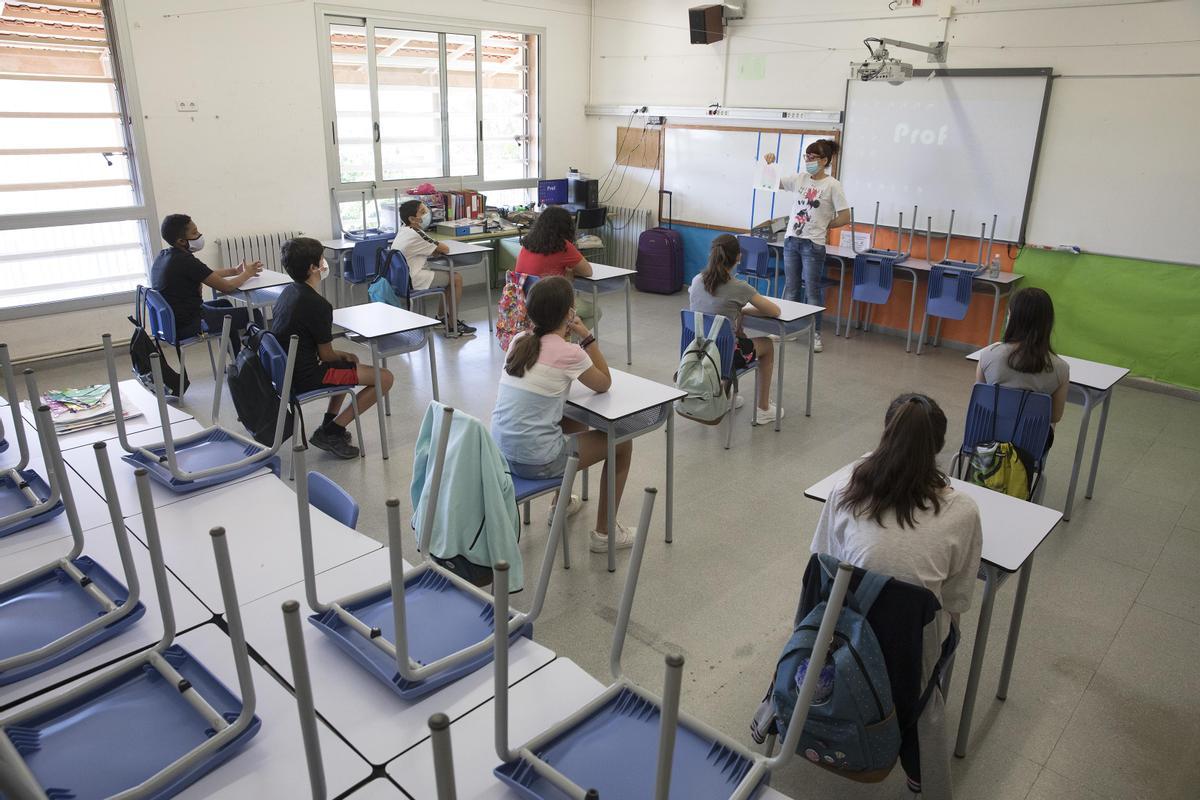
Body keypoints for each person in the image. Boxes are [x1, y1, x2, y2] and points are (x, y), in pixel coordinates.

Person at [811, 393, 982, 800]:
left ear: (885, 435)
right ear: (939, 448)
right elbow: (957, 600)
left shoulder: (848, 483)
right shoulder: (962, 511)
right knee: (942, 619)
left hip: (842, 636)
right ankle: (920, 761)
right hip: (910, 650)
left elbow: (821, 564)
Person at [490, 276, 634, 552]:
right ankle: (605, 535)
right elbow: (604, 382)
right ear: (569, 313)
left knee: (574, 420)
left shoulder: (519, 340)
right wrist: (587, 337)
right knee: (622, 442)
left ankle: (562, 503)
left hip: (501, 455)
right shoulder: (570, 353)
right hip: (537, 462)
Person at [271, 236, 394, 459]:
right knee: (384, 378)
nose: (324, 263)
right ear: (312, 268)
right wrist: (346, 354)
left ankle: (330, 421)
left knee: (344, 363)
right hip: (306, 376)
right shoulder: (318, 305)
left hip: (287, 372)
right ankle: (332, 431)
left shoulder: (289, 293)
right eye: (321, 259)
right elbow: (326, 355)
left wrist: (343, 357)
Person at [764, 140, 850, 353]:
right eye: (807, 157)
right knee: (791, 288)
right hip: (792, 240)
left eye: (813, 158)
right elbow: (774, 182)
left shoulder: (833, 185)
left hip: (813, 244)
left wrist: (824, 225)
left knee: (812, 291)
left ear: (825, 160)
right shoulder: (800, 179)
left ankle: (815, 334)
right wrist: (769, 165)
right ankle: (787, 330)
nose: (809, 161)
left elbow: (845, 216)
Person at [687, 234, 783, 425]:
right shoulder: (739, 288)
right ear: (738, 257)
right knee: (767, 345)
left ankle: (726, 397)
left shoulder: (697, 280)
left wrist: (738, 310)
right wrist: (744, 308)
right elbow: (774, 310)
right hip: (724, 356)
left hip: (696, 351)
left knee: (731, 339)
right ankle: (763, 408)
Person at [150, 213, 263, 352]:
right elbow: (227, 287)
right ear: (181, 241)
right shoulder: (186, 261)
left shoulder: (164, 256)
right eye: (194, 233)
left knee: (224, 304)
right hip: (191, 323)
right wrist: (247, 274)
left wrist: (234, 271)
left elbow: (205, 274)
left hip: (174, 321)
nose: (199, 236)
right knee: (254, 314)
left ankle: (236, 359)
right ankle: (252, 360)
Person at [976, 287, 1070, 449]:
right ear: (1047, 324)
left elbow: (981, 400)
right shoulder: (1060, 368)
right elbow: (1055, 415)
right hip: (1029, 446)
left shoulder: (988, 354)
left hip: (986, 437)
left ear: (1012, 318)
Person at [391, 199, 476, 336]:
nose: (427, 214)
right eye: (422, 212)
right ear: (412, 219)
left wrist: (436, 249)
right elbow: (445, 249)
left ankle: (442, 318)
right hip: (414, 278)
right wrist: (437, 248)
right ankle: (453, 325)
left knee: (449, 278)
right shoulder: (417, 234)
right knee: (456, 279)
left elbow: (432, 249)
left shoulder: (405, 230)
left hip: (402, 278)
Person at [513, 205, 597, 328]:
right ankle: (562, 342)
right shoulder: (563, 246)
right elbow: (588, 271)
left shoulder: (529, 242)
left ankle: (555, 337)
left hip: (523, 301)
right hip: (548, 304)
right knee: (594, 312)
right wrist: (570, 271)